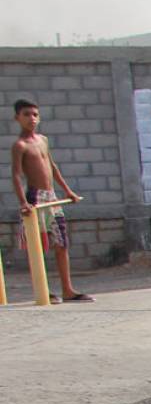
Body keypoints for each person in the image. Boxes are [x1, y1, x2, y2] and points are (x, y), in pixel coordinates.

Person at [10, 98, 91, 302]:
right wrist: (23, 202)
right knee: (37, 246)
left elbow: (52, 167)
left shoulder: (43, 140)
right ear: (17, 118)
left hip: (52, 198)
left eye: (35, 114)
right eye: (27, 114)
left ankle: (67, 289)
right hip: (35, 198)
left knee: (61, 243)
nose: (32, 119)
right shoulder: (20, 145)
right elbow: (16, 175)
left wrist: (68, 191)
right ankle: (44, 290)